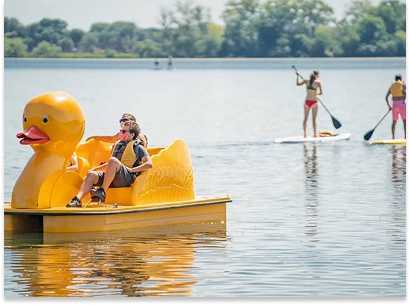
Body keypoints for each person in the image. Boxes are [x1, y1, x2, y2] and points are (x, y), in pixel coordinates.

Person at [66, 120, 153, 207]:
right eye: (120, 131)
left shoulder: (138, 147)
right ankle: (77, 200)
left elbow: (149, 164)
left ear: (132, 134)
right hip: (114, 177)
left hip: (126, 178)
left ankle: (102, 191)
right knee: (92, 175)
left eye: (123, 131)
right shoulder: (118, 145)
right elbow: (111, 164)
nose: (120, 133)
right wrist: (94, 169)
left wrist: (132, 170)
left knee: (113, 160)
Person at [296, 70, 323, 138]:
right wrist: (316, 94)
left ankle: (305, 134)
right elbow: (321, 93)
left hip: (307, 101)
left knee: (305, 119)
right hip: (314, 102)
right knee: (314, 120)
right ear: (317, 76)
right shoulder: (318, 82)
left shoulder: (306, 81)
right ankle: (315, 135)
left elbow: (298, 84)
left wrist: (297, 76)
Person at [385, 74, 406, 139]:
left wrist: (389, 106)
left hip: (394, 105)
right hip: (402, 104)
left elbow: (386, 97)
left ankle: (393, 137)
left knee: (394, 122)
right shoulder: (403, 85)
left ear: (395, 79)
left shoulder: (391, 86)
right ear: (401, 79)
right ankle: (405, 137)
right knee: (405, 121)